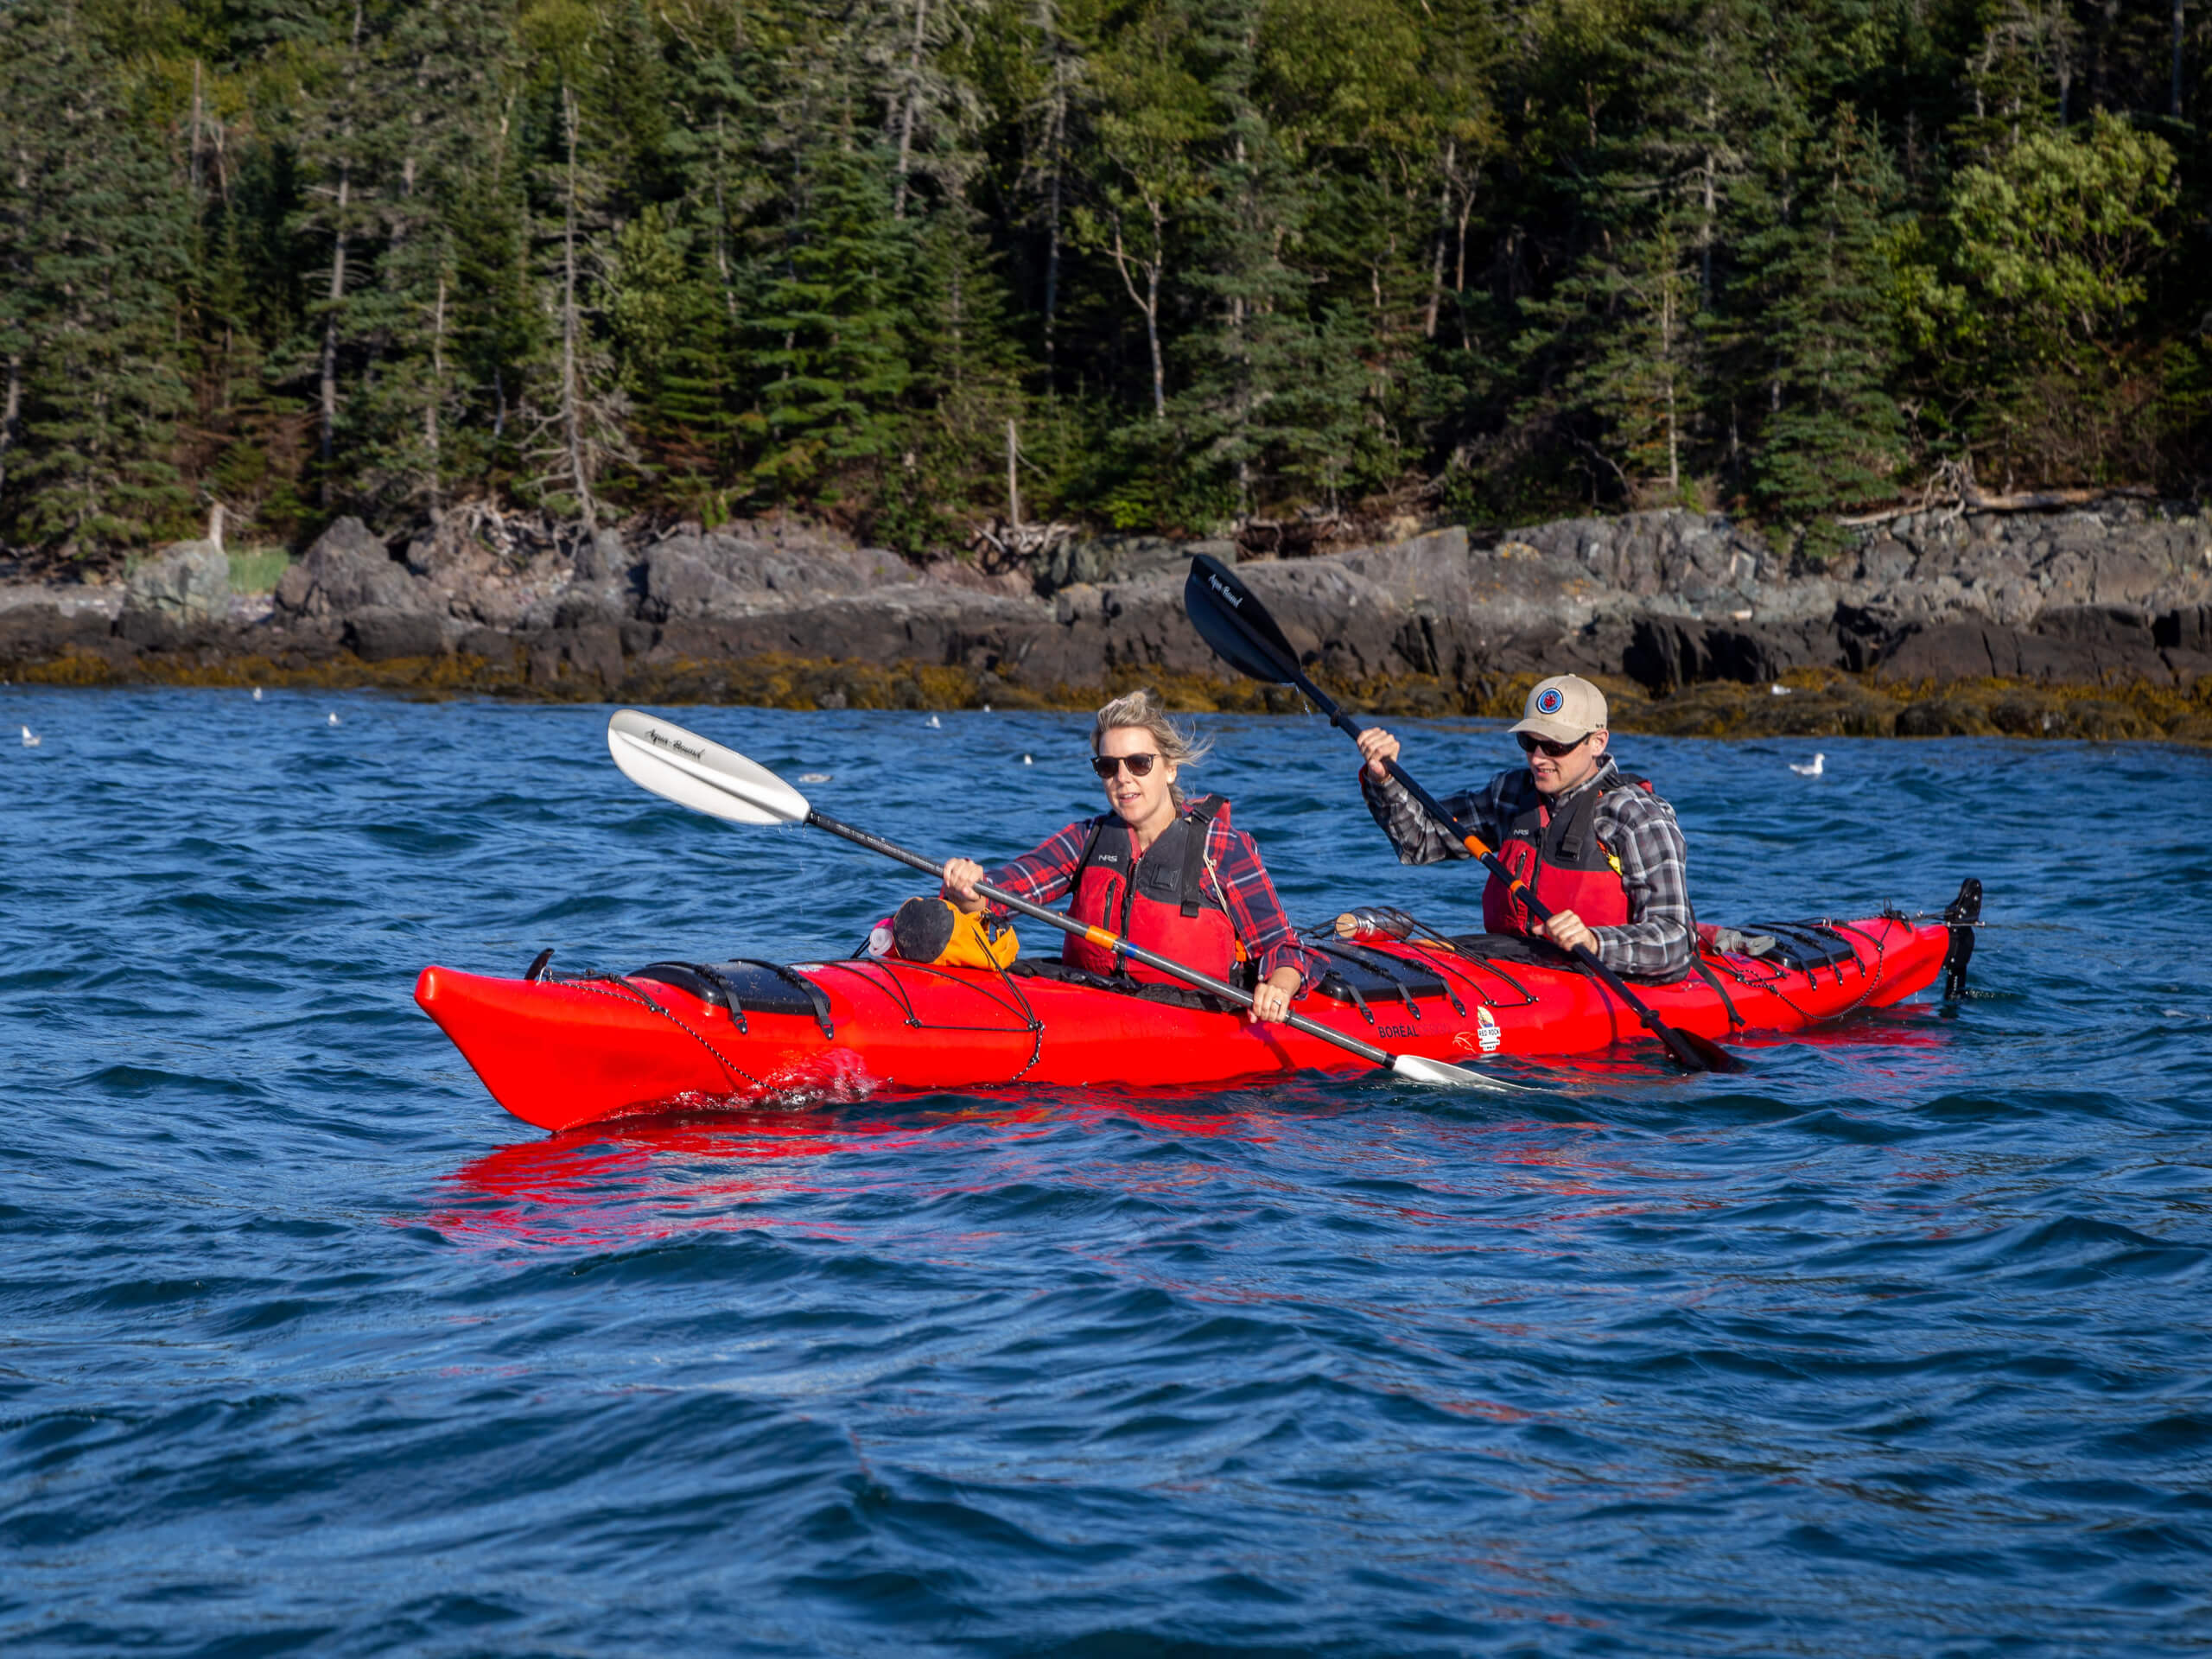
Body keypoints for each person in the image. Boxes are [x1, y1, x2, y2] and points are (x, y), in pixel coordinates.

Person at [939, 690, 1323, 1023]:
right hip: (1089, 1005)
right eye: (1108, 767)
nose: (1122, 778)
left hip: (1192, 1019)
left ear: (1170, 769)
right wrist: (969, 890)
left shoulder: (1221, 848)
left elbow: (1283, 948)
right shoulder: (1088, 839)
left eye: (1139, 763)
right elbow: (1005, 891)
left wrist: (1280, 986)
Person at [1354, 674, 1694, 982]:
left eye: (1555, 746)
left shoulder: (1637, 816)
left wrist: (1594, 941)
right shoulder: (1512, 793)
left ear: (1598, 742)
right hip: (1510, 964)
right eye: (1529, 743)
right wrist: (1384, 779)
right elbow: (1421, 840)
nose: (1537, 758)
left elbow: (1676, 938)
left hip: (1599, 979)